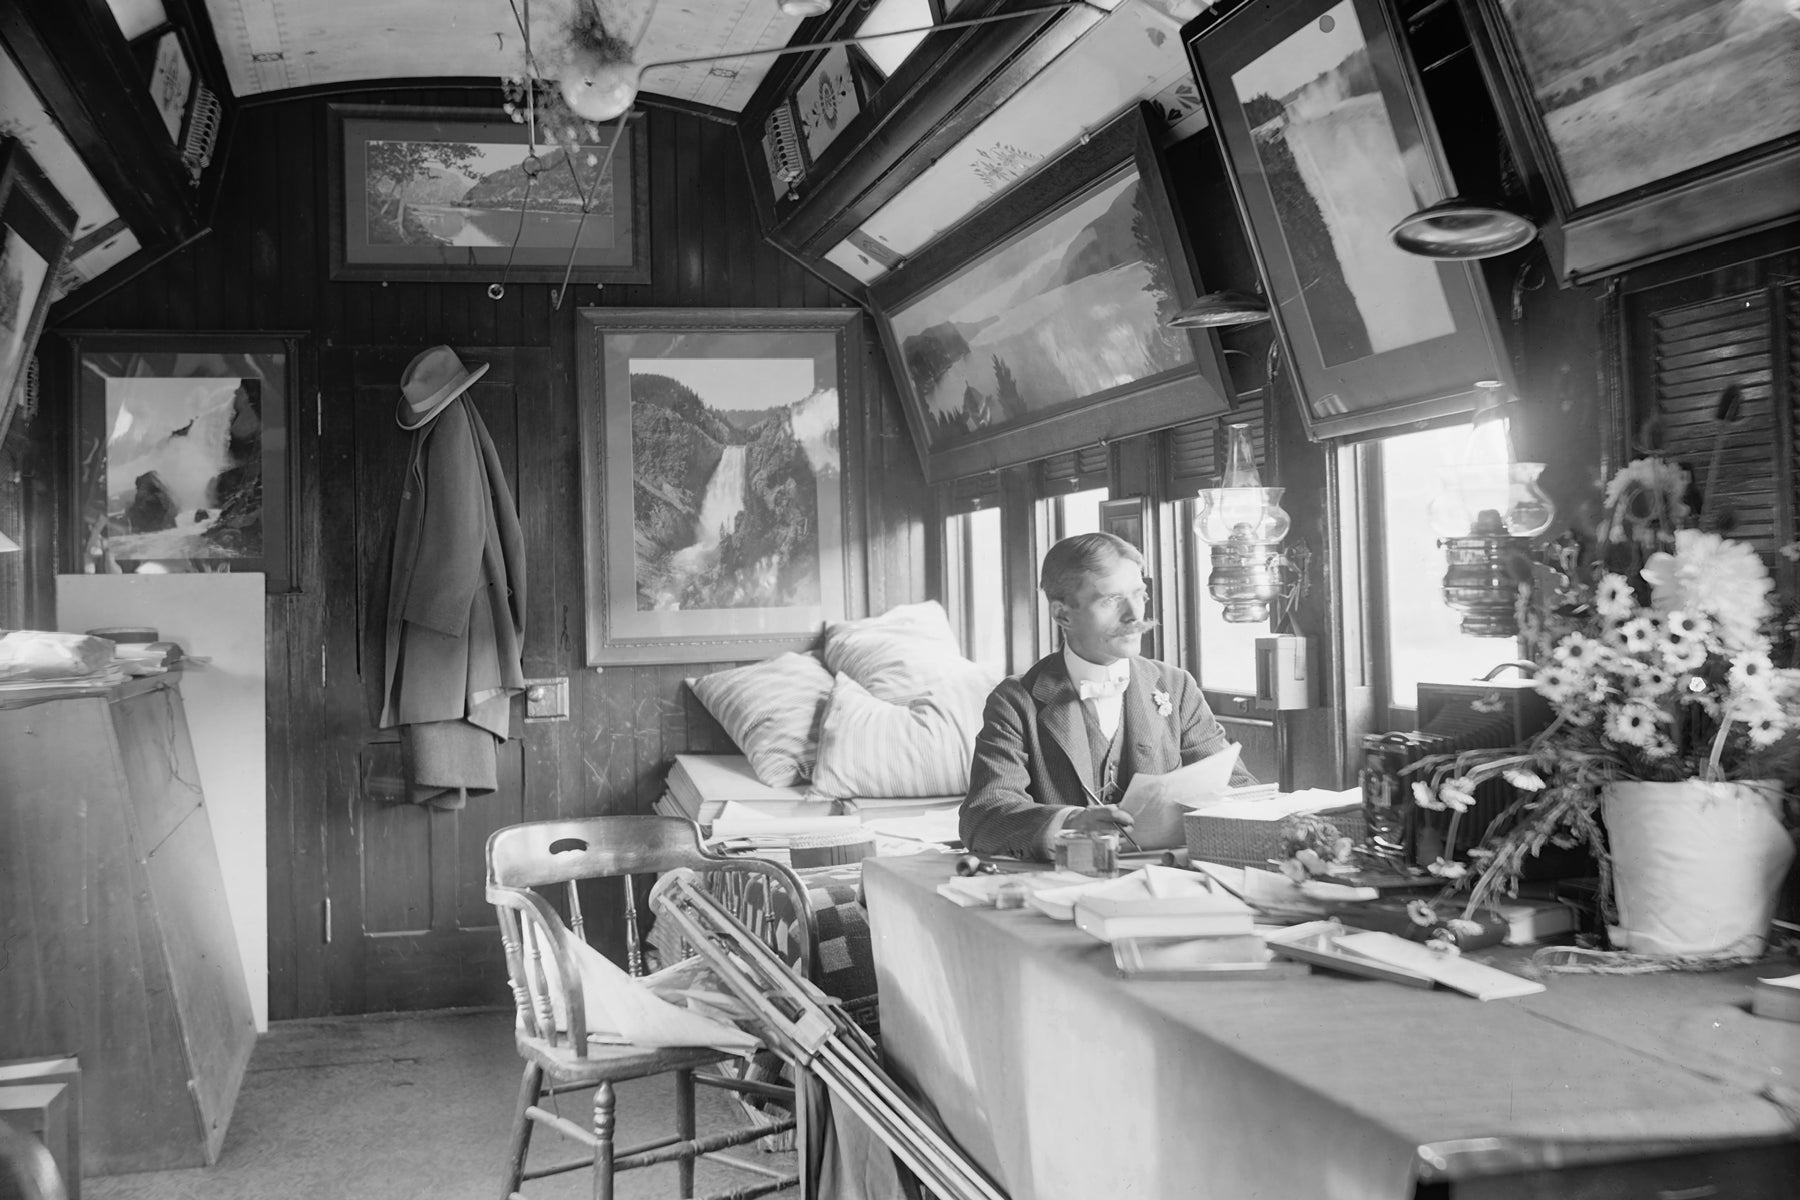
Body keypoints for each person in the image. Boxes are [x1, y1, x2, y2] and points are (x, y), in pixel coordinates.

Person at [959, 532, 1254, 859]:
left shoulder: (1176, 686)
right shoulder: (1016, 701)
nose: (1133, 615)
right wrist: (1069, 823)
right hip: (1063, 887)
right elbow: (983, 817)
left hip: (1166, 883)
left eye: (1139, 595)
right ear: (1062, 615)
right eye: (1111, 600)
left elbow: (1238, 790)